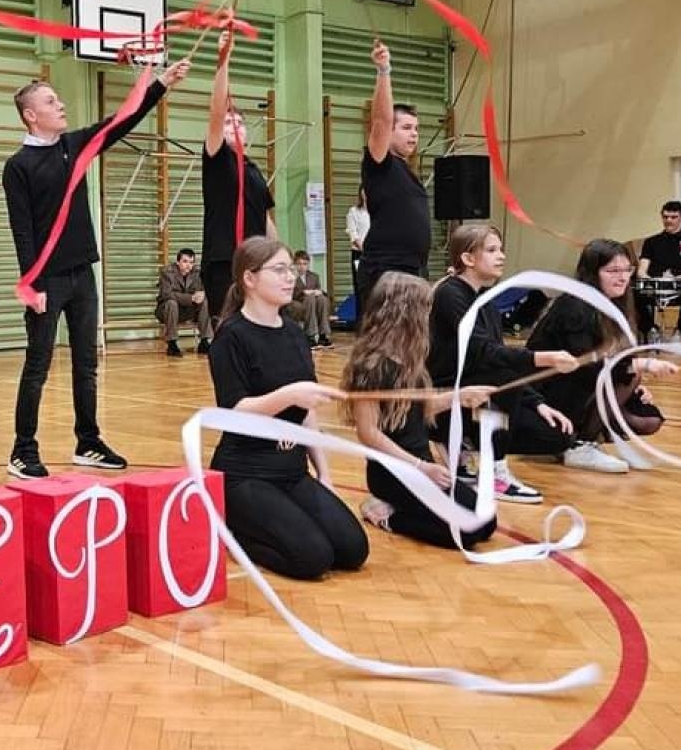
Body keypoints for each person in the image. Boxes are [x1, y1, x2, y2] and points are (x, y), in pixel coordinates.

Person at [3, 59, 190, 479]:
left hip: (82, 275)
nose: (62, 104)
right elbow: (22, 231)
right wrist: (30, 285)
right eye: (51, 101)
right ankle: (22, 449)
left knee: (86, 364)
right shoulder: (18, 166)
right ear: (31, 115)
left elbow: (121, 121)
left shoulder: (75, 146)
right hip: (47, 281)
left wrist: (160, 83)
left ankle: (88, 441)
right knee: (38, 365)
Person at [208, 236, 367, 580]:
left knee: (353, 549)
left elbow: (306, 411)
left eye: (291, 270)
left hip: (292, 471)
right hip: (247, 473)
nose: (290, 277)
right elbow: (234, 411)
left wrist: (323, 473)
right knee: (312, 558)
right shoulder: (231, 336)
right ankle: (233, 531)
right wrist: (290, 395)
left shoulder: (294, 334)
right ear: (249, 279)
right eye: (279, 270)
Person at [340, 272, 498, 548]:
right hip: (394, 472)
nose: (429, 316)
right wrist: (420, 467)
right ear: (405, 314)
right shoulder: (372, 366)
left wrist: (458, 397)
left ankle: (407, 508)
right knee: (468, 532)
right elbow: (368, 433)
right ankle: (386, 515)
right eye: (425, 308)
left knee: (485, 521)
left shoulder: (409, 357)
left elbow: (416, 410)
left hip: (421, 465)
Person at [427, 223, 578, 503]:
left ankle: (468, 448)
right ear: (468, 259)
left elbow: (498, 352)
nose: (502, 256)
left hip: (480, 387)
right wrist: (544, 359)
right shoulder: (450, 294)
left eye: (501, 250)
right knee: (502, 378)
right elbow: (484, 352)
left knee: (555, 436)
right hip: (446, 392)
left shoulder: (485, 298)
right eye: (492, 250)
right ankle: (491, 468)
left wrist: (537, 403)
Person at [527, 239, 679, 473]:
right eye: (612, 271)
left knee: (648, 420)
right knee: (631, 373)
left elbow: (615, 358)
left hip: (587, 385)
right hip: (551, 392)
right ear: (592, 273)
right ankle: (580, 444)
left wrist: (630, 384)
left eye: (627, 270)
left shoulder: (616, 306)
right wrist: (638, 366)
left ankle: (586, 435)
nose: (622, 278)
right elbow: (584, 364)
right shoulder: (574, 307)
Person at [202, 35, 275, 320]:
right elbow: (217, 111)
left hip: (256, 260)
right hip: (224, 260)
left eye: (241, 124)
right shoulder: (216, 158)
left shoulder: (254, 170)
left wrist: (278, 255)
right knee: (230, 328)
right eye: (230, 125)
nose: (236, 128)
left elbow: (266, 218)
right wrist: (224, 59)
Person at [356, 41, 430, 321]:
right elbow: (381, 121)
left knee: (410, 345)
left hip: (413, 269)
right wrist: (384, 70)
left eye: (417, 129)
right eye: (407, 128)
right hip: (386, 270)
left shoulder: (406, 171)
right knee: (384, 345)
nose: (414, 135)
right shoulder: (379, 163)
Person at [636, 200, 681, 345]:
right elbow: (641, 271)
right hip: (657, 285)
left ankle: (680, 331)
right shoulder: (651, 242)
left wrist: (680, 279)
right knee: (635, 294)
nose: (669, 220)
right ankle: (651, 330)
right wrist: (651, 281)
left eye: (673, 217)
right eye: (665, 217)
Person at [157, 247, 211, 357]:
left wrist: (202, 294)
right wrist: (190, 298)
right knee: (171, 302)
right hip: (167, 310)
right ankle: (172, 344)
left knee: (205, 302)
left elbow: (201, 290)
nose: (188, 265)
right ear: (178, 262)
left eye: (191, 262)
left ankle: (204, 341)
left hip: (187, 310)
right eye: (185, 261)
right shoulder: (167, 273)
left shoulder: (196, 273)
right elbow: (166, 294)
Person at [283, 251, 332, 347]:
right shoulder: (291, 276)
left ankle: (323, 334)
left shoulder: (314, 276)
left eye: (305, 264)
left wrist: (319, 292)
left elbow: (318, 290)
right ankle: (310, 335)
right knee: (310, 298)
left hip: (313, 302)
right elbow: (289, 293)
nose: (302, 267)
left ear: (308, 265)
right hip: (298, 301)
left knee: (322, 299)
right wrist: (303, 292)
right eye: (299, 264)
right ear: (295, 264)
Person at [345, 188, 370, 277]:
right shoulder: (353, 211)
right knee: (360, 281)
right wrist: (364, 250)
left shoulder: (377, 211)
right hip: (360, 253)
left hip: (375, 253)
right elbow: (353, 234)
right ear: (361, 193)